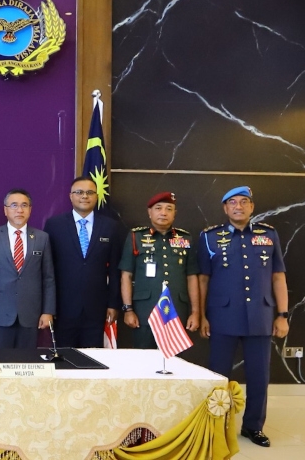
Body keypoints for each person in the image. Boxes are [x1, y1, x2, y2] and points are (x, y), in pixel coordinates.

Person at [199, 186, 289, 448]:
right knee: (218, 376)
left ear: (251, 207)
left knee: (259, 375)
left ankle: (253, 426)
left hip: (260, 315)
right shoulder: (209, 237)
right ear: (225, 208)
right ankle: (215, 425)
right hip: (222, 316)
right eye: (233, 202)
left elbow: (278, 277)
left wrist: (282, 314)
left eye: (244, 202)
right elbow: (203, 279)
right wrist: (203, 315)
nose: (238, 206)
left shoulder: (268, 235)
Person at [42, 177, 125, 348]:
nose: (84, 196)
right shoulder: (54, 225)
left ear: (96, 196)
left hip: (97, 307)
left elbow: (115, 270)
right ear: (70, 196)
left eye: (89, 193)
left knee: (92, 359)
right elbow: (47, 269)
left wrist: (113, 303)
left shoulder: (111, 227)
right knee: (64, 358)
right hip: (63, 307)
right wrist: (48, 307)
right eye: (79, 192)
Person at [120, 191, 199, 348]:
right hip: (144, 310)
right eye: (158, 208)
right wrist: (128, 309)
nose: (163, 213)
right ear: (150, 212)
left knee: (175, 363)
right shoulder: (136, 237)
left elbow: (192, 277)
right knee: (144, 361)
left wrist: (195, 312)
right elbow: (126, 275)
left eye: (169, 209)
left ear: (174, 213)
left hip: (176, 309)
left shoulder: (185, 239)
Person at [0, 189, 55, 348]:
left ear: (30, 209)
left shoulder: (42, 238)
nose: (19, 210)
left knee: (27, 364)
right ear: (5, 210)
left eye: (24, 205)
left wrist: (48, 312)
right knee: (0, 363)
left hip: (31, 314)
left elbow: (48, 278)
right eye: (14, 205)